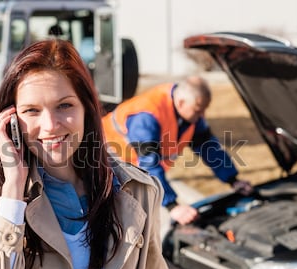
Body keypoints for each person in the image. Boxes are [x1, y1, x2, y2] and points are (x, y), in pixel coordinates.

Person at [0, 39, 173, 269]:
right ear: (11, 121)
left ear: (86, 109)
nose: (50, 125)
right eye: (32, 110)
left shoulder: (137, 190)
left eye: (65, 106)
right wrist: (13, 191)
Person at [102, 76, 252, 225]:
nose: (202, 116)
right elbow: (148, 164)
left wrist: (233, 180)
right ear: (181, 103)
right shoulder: (147, 116)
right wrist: (172, 206)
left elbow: (209, 149)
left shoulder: (190, 113)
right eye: (199, 110)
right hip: (105, 169)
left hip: (134, 174)